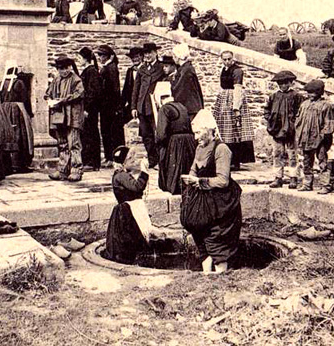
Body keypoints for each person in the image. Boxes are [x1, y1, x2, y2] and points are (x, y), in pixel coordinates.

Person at [181, 109, 243, 274]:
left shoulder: (221, 149)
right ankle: (207, 276)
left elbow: (223, 181)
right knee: (201, 238)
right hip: (204, 201)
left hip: (221, 204)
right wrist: (190, 178)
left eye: (198, 133)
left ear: (209, 130)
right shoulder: (199, 149)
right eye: (194, 133)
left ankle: (221, 276)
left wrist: (200, 182)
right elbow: (194, 169)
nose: (195, 138)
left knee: (217, 241)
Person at [104, 146, 166, 264]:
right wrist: (144, 172)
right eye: (130, 159)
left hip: (132, 209)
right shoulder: (121, 176)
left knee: (134, 239)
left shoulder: (122, 174)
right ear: (123, 162)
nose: (134, 161)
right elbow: (137, 187)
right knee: (131, 239)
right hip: (128, 212)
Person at [212, 50, 255, 169]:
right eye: (224, 59)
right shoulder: (224, 69)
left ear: (233, 59)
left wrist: (236, 108)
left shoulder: (237, 71)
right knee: (225, 130)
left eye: (229, 59)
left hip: (233, 100)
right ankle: (226, 159)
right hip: (223, 100)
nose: (227, 62)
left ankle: (235, 161)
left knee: (234, 131)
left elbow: (238, 89)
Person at [45, 55, 84, 182]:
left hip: (72, 116)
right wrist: (49, 99)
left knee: (74, 144)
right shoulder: (56, 80)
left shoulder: (76, 79)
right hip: (59, 116)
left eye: (65, 68)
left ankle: (76, 170)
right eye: (60, 69)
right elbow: (48, 93)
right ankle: (62, 170)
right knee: (62, 144)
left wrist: (63, 100)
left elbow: (79, 94)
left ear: (69, 67)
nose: (63, 71)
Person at [265, 71, 304, 189]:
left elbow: (300, 112)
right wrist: (270, 120)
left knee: (292, 154)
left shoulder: (296, 96)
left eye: (285, 83)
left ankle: (293, 177)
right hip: (276, 130)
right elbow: (267, 110)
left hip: (290, 130)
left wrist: (294, 124)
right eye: (280, 83)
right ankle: (278, 177)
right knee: (277, 153)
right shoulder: (274, 96)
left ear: (291, 83)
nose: (283, 86)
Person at [294, 79, 334, 191]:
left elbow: (329, 123)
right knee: (307, 161)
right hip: (306, 138)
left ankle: (325, 184)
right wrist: (299, 134)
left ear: (319, 92)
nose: (310, 95)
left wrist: (323, 136)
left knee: (322, 161)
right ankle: (307, 184)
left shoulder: (325, 106)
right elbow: (298, 121)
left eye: (313, 92)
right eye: (309, 92)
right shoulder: (304, 104)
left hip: (320, 139)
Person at [155, 92, 196, 194]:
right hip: (188, 140)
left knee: (175, 168)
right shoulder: (182, 106)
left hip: (175, 142)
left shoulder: (164, 109)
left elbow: (161, 134)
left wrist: (159, 145)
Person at [132, 43, 165, 168]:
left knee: (158, 134)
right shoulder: (141, 69)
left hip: (155, 107)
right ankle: (152, 159)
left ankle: (160, 159)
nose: (147, 56)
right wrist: (134, 107)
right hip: (142, 107)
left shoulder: (161, 68)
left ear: (155, 53)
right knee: (146, 135)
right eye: (145, 53)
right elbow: (136, 89)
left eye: (150, 53)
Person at [0, 61, 35, 172]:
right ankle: (19, 165)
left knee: (8, 136)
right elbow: (25, 99)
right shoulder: (19, 83)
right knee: (21, 136)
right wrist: (29, 113)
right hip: (18, 110)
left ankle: (8, 165)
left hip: (4, 110)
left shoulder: (0, 83)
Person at [94, 45, 125, 166]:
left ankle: (112, 158)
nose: (100, 58)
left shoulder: (110, 68)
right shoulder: (108, 67)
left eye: (101, 55)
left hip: (109, 106)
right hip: (106, 106)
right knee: (106, 131)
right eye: (99, 55)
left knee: (110, 133)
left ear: (107, 56)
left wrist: (114, 106)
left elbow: (114, 89)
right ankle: (108, 156)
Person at [77, 47, 103, 171]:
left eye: (80, 58)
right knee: (86, 134)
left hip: (90, 110)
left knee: (90, 134)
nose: (78, 60)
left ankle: (92, 162)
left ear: (85, 59)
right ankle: (89, 160)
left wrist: (87, 108)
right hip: (86, 108)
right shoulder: (88, 71)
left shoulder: (91, 71)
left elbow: (94, 92)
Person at [171, 43, 203, 120]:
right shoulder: (185, 68)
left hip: (190, 108)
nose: (173, 58)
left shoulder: (186, 70)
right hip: (189, 107)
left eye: (174, 56)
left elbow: (179, 88)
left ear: (178, 57)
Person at [121, 47, 143, 123]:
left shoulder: (145, 70)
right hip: (132, 104)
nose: (134, 59)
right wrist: (122, 105)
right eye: (132, 57)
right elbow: (126, 89)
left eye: (136, 57)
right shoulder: (130, 71)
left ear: (141, 57)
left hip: (142, 104)